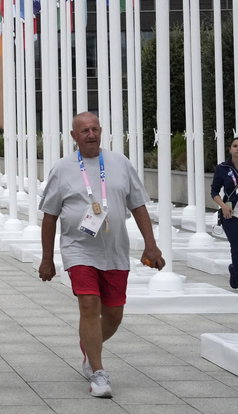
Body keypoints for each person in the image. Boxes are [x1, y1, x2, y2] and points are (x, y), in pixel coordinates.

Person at [39, 112, 163, 398]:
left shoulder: (120, 163)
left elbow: (139, 206)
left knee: (114, 314)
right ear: (73, 136)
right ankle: (98, 373)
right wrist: (47, 259)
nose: (91, 135)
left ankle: (89, 344)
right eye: (84, 131)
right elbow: (49, 216)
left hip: (115, 250)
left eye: (95, 129)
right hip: (78, 249)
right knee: (89, 306)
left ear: (101, 131)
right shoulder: (62, 168)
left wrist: (151, 244)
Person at [211, 132, 238, 297]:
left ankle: (234, 268)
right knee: (237, 247)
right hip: (230, 213)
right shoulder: (222, 169)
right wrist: (223, 206)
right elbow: (214, 191)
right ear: (230, 149)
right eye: (235, 146)